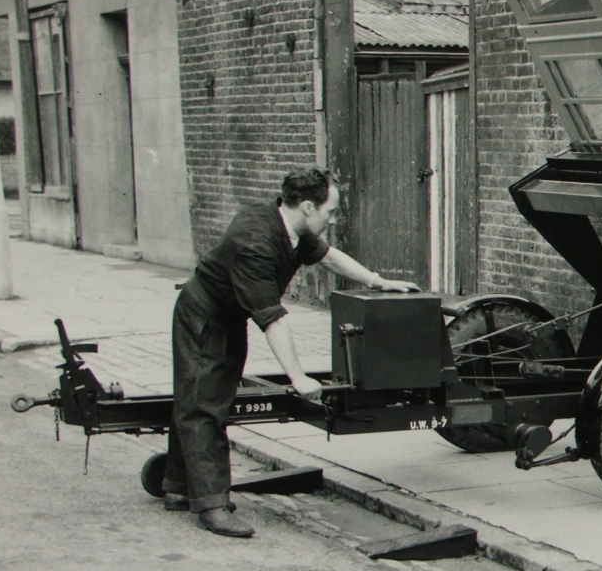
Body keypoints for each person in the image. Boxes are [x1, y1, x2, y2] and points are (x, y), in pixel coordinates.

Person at [161, 166, 419, 538]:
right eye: (330, 212)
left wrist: (379, 282)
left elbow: (330, 257)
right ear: (309, 207)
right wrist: (298, 377)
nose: (332, 219)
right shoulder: (255, 242)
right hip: (205, 318)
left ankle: (177, 486)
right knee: (203, 405)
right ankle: (212, 505)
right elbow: (273, 320)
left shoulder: (292, 227)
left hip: (229, 313)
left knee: (202, 395)